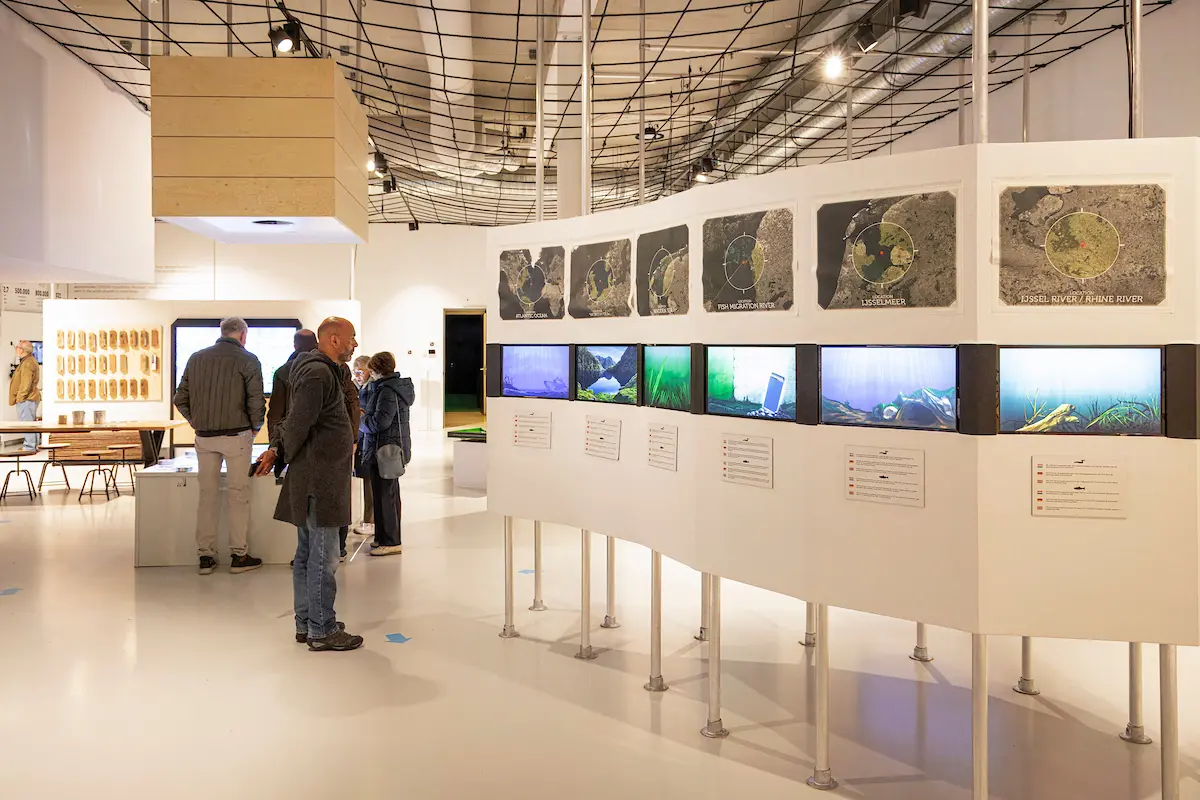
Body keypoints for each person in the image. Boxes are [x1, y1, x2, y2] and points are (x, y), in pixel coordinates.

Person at [255, 317, 363, 651]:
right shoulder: (318, 373)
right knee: (323, 556)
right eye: (351, 338)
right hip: (321, 478)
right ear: (333, 339)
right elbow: (299, 422)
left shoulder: (326, 370)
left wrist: (278, 450)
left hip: (318, 475)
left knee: (308, 552)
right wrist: (278, 452)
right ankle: (321, 629)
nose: (355, 344)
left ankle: (307, 622)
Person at [173, 317, 265, 576]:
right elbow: (256, 400)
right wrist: (255, 428)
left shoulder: (196, 358)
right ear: (243, 335)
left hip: (204, 436)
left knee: (207, 495)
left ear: (222, 333)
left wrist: (195, 420)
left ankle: (205, 557)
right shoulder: (248, 359)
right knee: (238, 495)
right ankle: (239, 555)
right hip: (237, 436)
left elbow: (180, 398)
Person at [359, 351, 413, 557]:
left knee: (386, 497)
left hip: (385, 450)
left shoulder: (387, 392)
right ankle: (382, 537)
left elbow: (380, 422)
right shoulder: (388, 388)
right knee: (384, 495)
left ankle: (391, 541)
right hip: (385, 450)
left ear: (376, 370)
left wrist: (361, 420)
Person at [351, 355, 374, 538]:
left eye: (360, 372)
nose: (357, 376)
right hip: (357, 441)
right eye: (355, 372)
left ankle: (370, 520)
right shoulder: (355, 388)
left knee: (370, 482)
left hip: (367, 441)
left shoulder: (372, 389)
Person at [10, 341, 40, 452]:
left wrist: (20, 398)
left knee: (27, 423)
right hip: (29, 398)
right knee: (30, 423)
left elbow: (25, 384)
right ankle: (32, 445)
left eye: (17, 347)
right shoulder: (28, 361)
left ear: (22, 350)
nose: (16, 349)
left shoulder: (28, 363)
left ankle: (29, 447)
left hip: (27, 399)